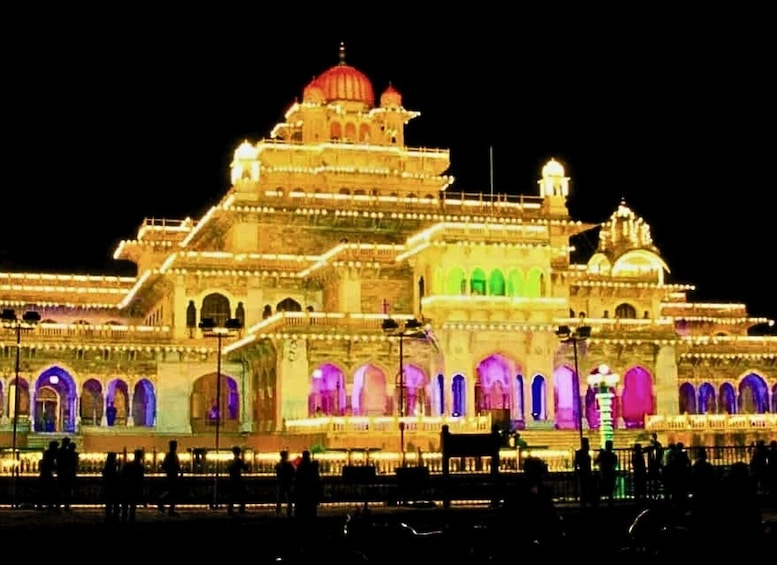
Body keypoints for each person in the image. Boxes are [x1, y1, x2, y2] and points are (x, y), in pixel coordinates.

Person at [293, 450, 321, 524]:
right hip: (310, 494)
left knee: (301, 513)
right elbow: (316, 481)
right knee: (311, 512)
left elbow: (297, 480)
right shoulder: (312, 467)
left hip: (301, 494)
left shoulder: (300, 467)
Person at [120, 449, 145, 523]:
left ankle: (123, 521)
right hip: (134, 489)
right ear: (141, 457)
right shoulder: (140, 468)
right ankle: (131, 522)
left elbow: (122, 476)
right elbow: (140, 480)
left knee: (125, 507)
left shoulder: (128, 465)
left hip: (127, 488)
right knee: (132, 507)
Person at [159, 439, 182, 515]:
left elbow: (164, 466)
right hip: (172, 476)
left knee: (171, 493)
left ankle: (165, 505)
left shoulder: (170, 455)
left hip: (171, 476)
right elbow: (176, 466)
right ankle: (168, 508)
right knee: (172, 493)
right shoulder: (172, 455)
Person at [573, 437, 596, 507]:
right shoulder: (583, 453)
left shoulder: (581, 453)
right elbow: (576, 463)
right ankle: (587, 503)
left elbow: (576, 463)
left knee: (585, 489)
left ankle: (585, 503)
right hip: (585, 472)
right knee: (586, 489)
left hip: (584, 473)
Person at [227, 446, 248, 515]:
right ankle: (241, 509)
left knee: (232, 496)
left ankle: (230, 510)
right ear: (238, 453)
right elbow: (245, 468)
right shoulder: (239, 461)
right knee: (242, 495)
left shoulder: (230, 461)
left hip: (231, 480)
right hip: (238, 480)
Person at [275, 449, 295, 517]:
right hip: (288, 482)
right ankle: (289, 512)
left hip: (280, 482)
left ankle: (278, 510)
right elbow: (293, 472)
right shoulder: (289, 464)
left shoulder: (278, 464)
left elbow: (276, 472)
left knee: (279, 497)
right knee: (289, 498)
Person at [101, 452, 121, 522]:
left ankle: (108, 516)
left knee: (109, 503)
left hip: (108, 487)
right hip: (114, 487)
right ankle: (115, 516)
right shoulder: (113, 466)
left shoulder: (107, 466)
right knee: (115, 502)